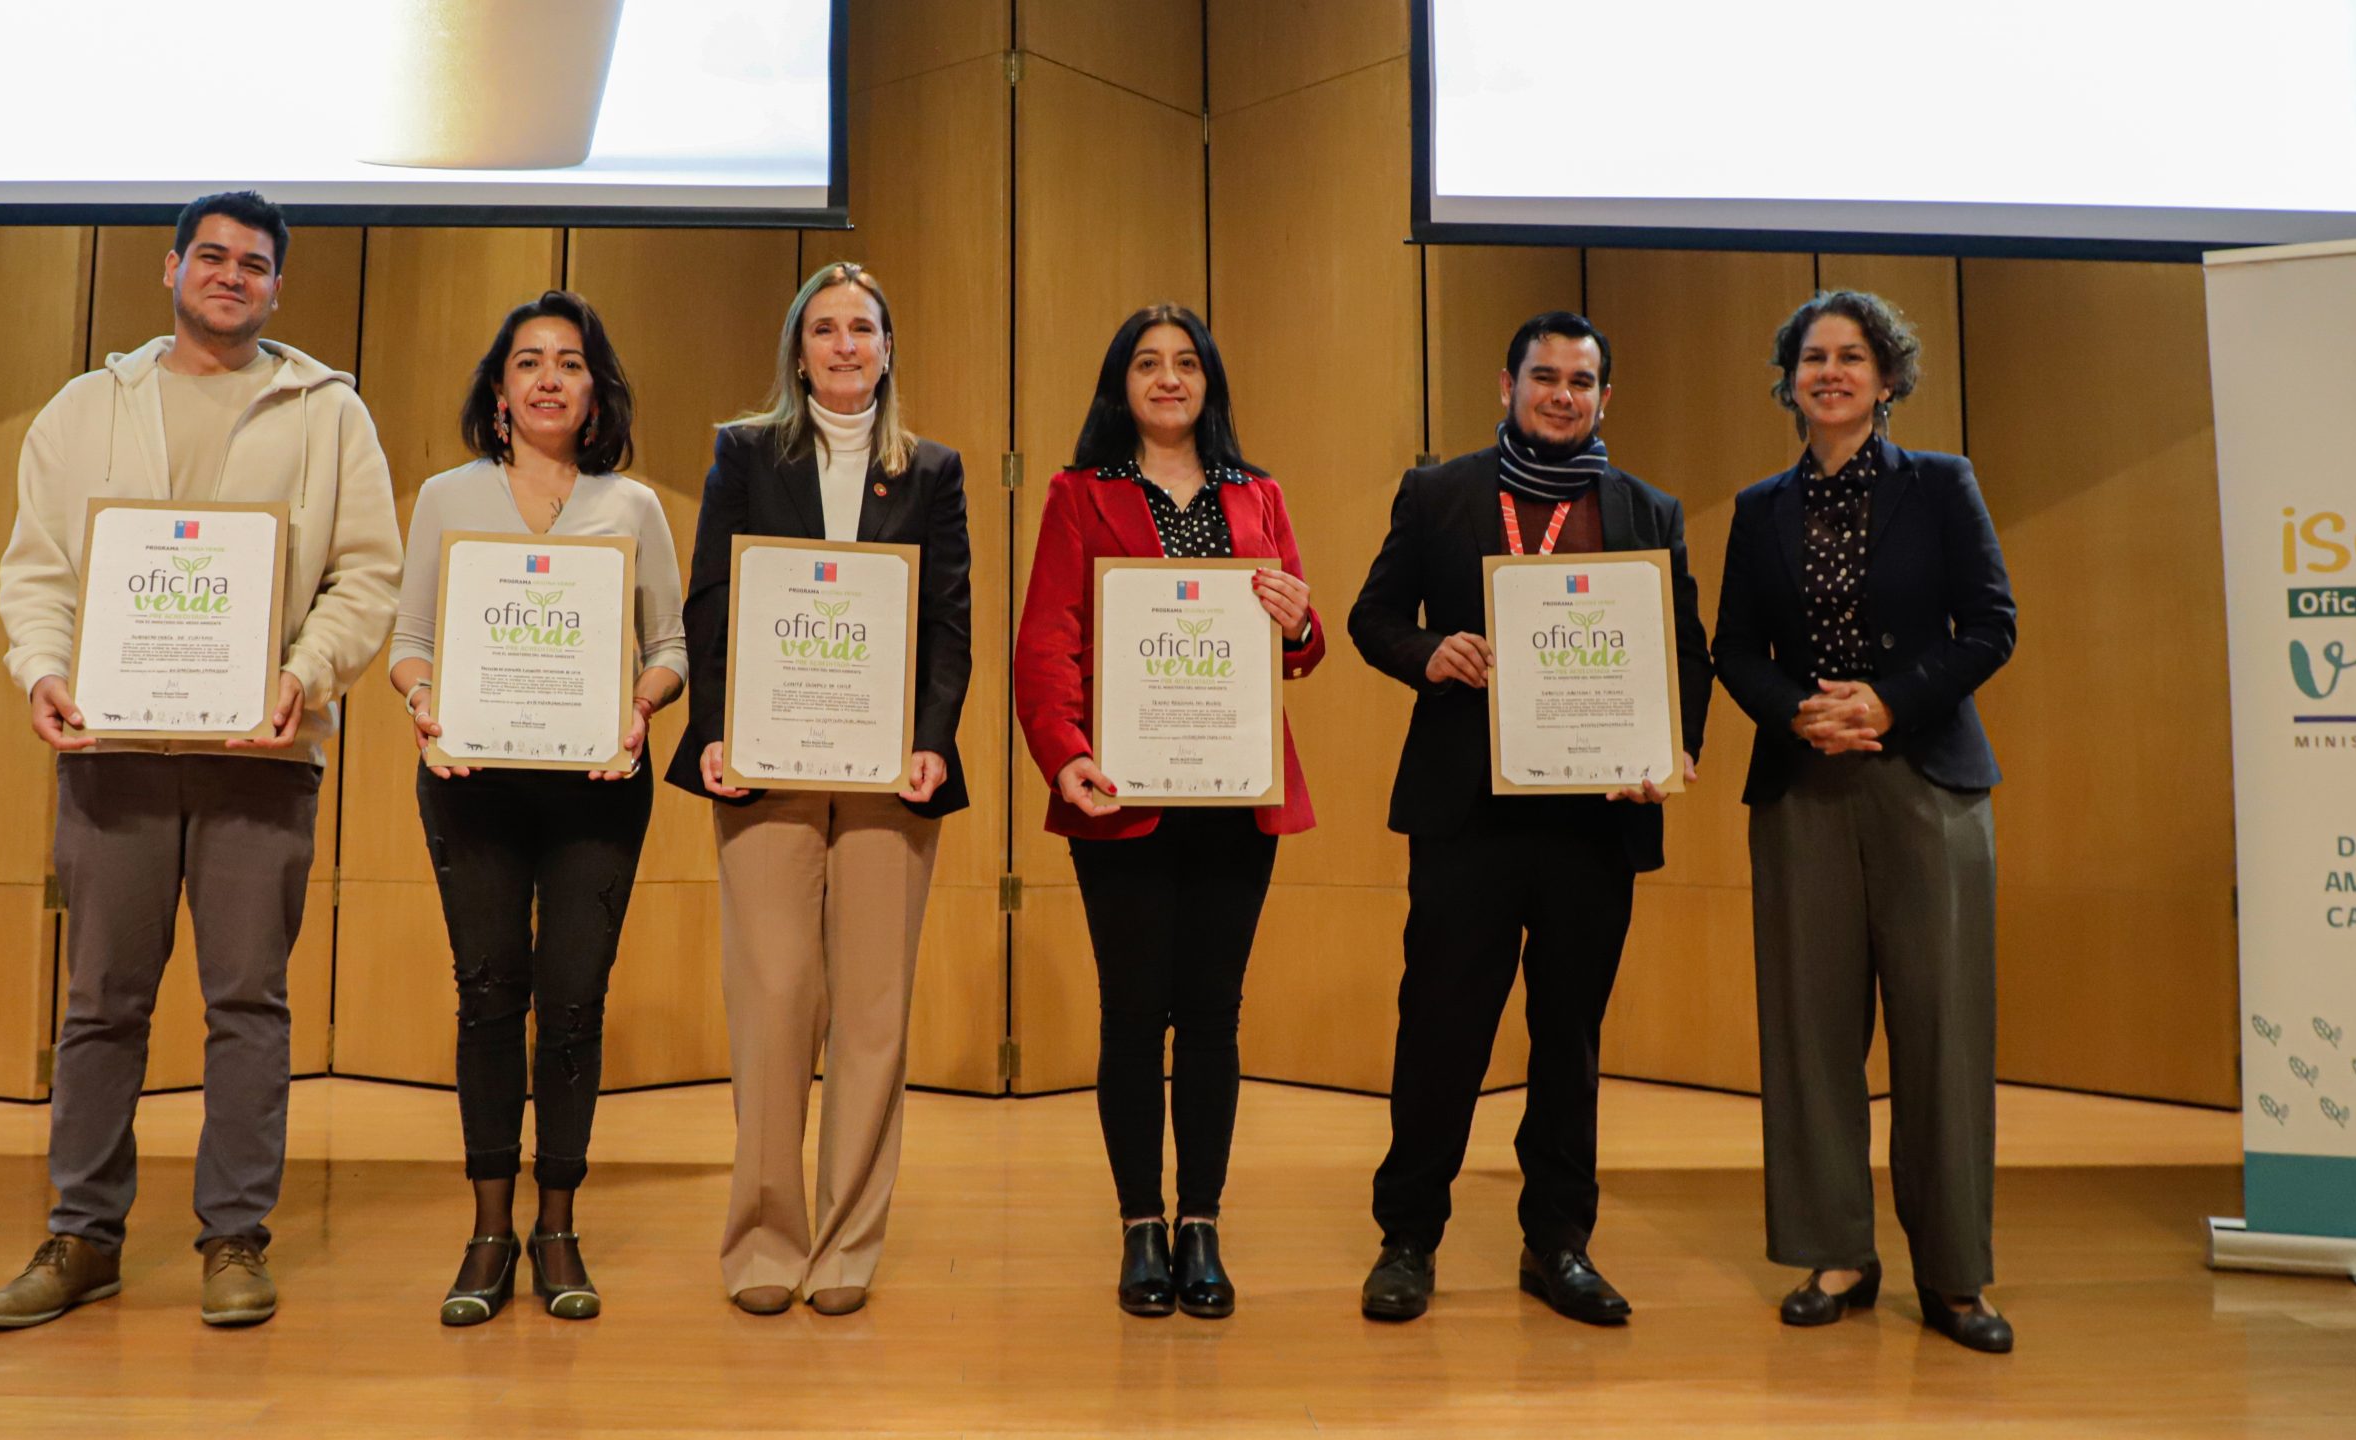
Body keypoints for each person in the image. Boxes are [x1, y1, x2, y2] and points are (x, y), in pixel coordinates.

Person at [0, 190, 403, 1329]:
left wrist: (302, 676)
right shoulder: (83, 410)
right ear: (169, 269)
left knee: (247, 1003)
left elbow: (367, 576)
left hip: (261, 754)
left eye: (253, 264)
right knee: (102, 1003)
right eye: (209, 256)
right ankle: (82, 1236)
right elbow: (39, 571)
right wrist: (41, 669)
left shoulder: (328, 413)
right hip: (111, 748)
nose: (230, 275)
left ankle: (233, 1238)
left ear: (277, 287)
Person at [1347, 310, 1711, 1326]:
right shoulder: (1439, 493)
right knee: (1441, 1032)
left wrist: (1674, 748)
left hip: (1594, 817)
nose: (1561, 394)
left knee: (1569, 1038)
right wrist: (1430, 653)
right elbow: (1371, 617)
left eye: (1581, 381)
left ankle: (1558, 1242)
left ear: (1605, 397)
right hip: (1468, 815)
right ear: (1504, 384)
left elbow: (1684, 650)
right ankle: (1407, 1238)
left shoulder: (1647, 509)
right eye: (1543, 376)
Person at [664, 262, 972, 1317]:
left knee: (874, 1014)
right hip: (763, 764)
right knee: (775, 1001)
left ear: (888, 348)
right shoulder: (745, 452)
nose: (845, 347)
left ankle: (845, 1243)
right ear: (799, 350)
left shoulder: (932, 469)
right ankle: (762, 1240)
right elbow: (712, 597)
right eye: (826, 330)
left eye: (864, 330)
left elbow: (946, 618)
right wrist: (712, 730)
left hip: (894, 775)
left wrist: (933, 738)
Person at [1712, 290, 2018, 1354]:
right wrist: (1799, 711)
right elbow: (1733, 647)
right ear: (1789, 379)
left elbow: (1991, 624)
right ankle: (1833, 1249)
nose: (1829, 371)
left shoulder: (1941, 485)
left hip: (1925, 778)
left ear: (1888, 379)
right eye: (1811, 357)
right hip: (1803, 782)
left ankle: (1954, 1273)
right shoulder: (1759, 508)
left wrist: (1887, 701)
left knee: (1941, 1031)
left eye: (1851, 357)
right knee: (1809, 1030)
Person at [1012, 305, 1327, 1319]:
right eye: (1146, 364)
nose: (1167, 378)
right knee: (1134, 1010)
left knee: (1214, 1014)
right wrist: (1064, 755)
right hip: (1123, 791)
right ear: (1120, 384)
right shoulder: (1078, 494)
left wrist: (1301, 618)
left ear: (1210, 383)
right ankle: (1138, 1224)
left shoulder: (1258, 493)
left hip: (1236, 793)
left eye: (1185, 363)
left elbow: (1299, 643)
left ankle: (1202, 1224)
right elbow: (1045, 640)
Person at [387, 290, 687, 1325]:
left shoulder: (633, 507)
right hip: (471, 782)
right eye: (529, 361)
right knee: (487, 993)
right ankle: (486, 1229)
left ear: (596, 393)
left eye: (569, 362)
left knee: (570, 1000)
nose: (549, 377)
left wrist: (642, 706)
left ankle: (556, 1225)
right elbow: (410, 638)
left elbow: (669, 651)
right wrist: (425, 702)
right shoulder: (444, 496)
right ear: (500, 389)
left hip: (596, 788)